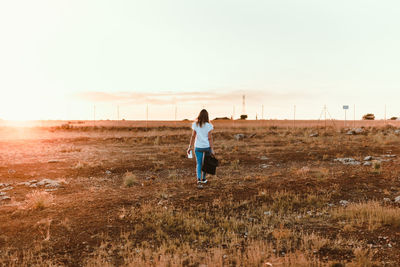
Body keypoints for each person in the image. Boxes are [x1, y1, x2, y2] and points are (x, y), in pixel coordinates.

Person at [187, 109, 215, 185]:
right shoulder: (209, 126)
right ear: (207, 116)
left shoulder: (195, 125)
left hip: (198, 147)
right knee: (206, 164)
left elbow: (193, 136)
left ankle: (198, 179)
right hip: (206, 147)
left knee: (199, 163)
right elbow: (210, 138)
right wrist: (212, 149)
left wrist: (190, 147)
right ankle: (203, 179)